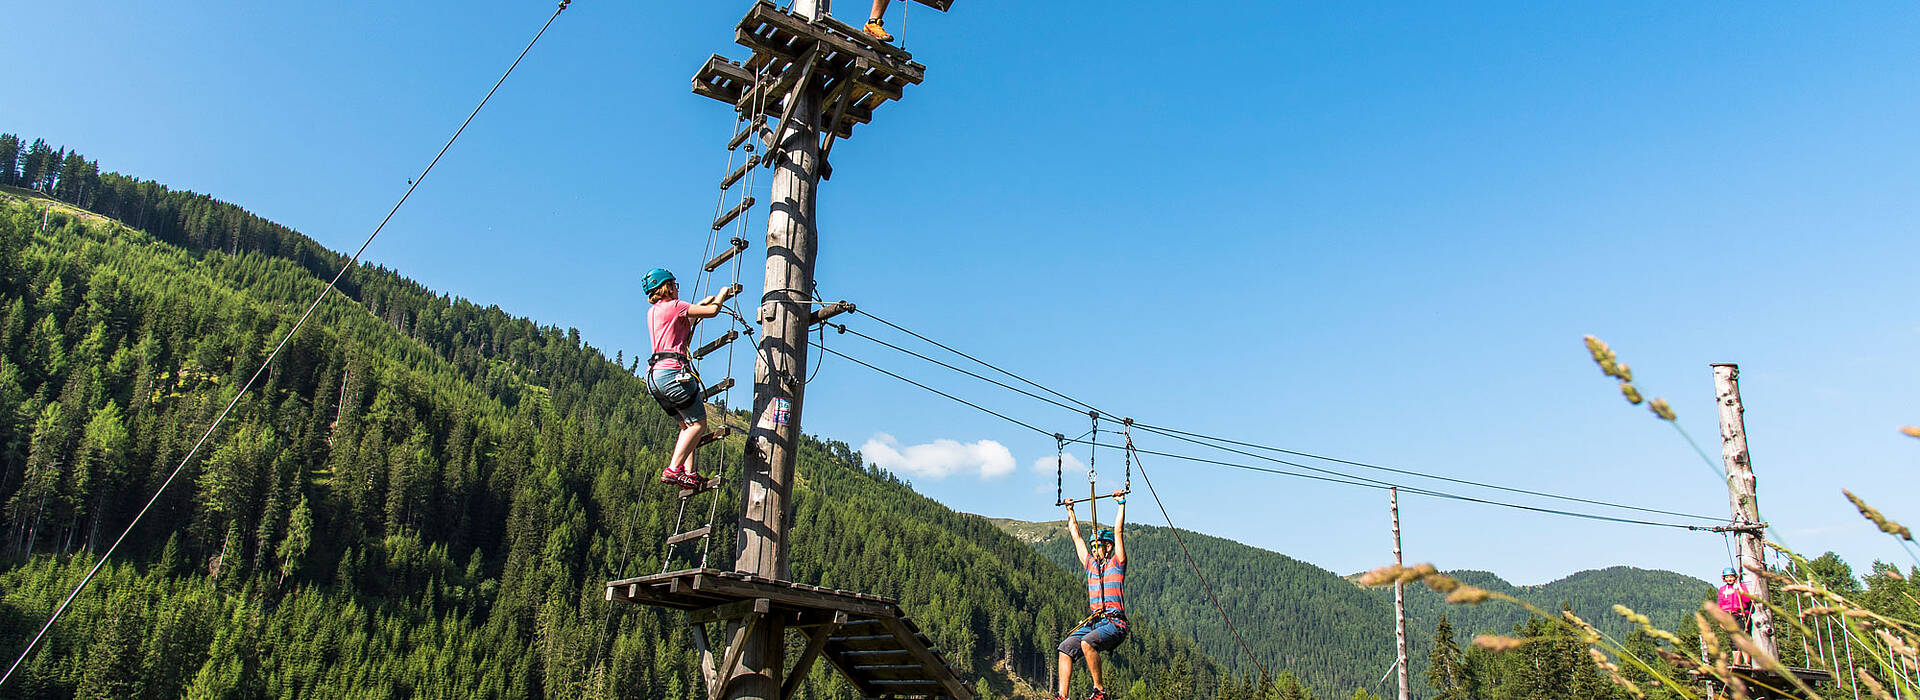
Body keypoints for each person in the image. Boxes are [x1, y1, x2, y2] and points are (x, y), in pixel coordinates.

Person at [641, 268, 737, 488]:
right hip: (673, 372)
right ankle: (674, 469)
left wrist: (701, 304)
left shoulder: (654, 312)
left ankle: (689, 472)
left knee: (687, 425)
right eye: (674, 284)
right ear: (668, 287)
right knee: (698, 425)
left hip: (655, 377)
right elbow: (712, 311)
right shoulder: (675, 306)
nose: (676, 288)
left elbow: (686, 320)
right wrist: (722, 295)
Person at [1056, 490, 1128, 700]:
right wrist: (1071, 512)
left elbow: (1118, 532)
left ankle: (1099, 691)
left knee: (1087, 643)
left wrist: (1121, 504)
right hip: (1096, 622)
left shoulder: (1117, 563)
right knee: (1065, 647)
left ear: (1108, 548)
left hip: (1115, 624)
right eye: (1093, 546)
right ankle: (1062, 696)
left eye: (1098, 546)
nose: (1094, 550)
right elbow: (1076, 537)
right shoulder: (1090, 566)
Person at [1717, 566, 1755, 665]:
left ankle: (1747, 662)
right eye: (1727, 577)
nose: (1729, 579)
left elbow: (1747, 600)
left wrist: (1741, 592)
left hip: (1740, 615)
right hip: (1728, 616)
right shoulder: (1722, 590)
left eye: (1731, 577)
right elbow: (1720, 605)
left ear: (1735, 577)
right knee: (1733, 640)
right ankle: (1736, 662)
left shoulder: (1740, 587)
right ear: (1724, 579)